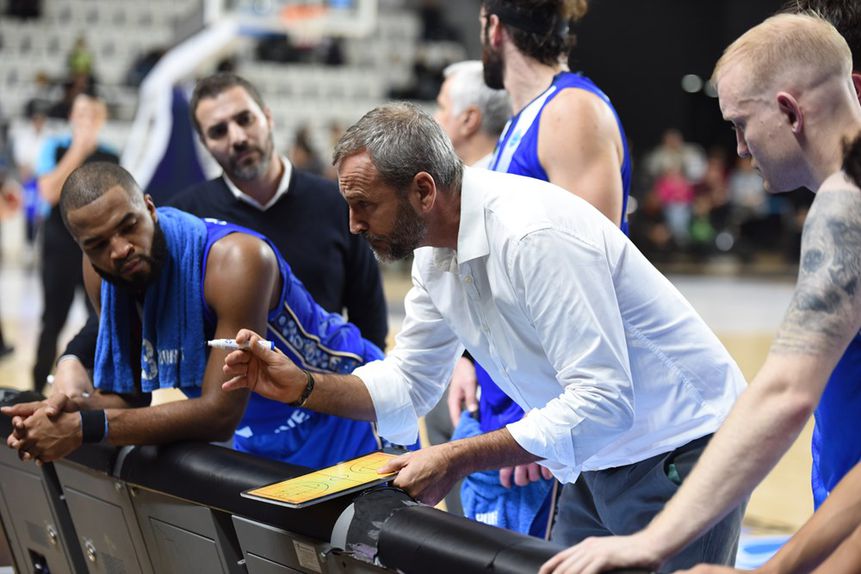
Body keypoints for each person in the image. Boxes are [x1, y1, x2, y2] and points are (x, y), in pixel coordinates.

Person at [221, 102, 748, 570]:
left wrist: (460, 456)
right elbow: (410, 382)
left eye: (365, 205)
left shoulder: (532, 235)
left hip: (678, 444)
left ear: (423, 190)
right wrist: (305, 387)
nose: (354, 224)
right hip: (601, 456)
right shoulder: (433, 253)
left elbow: (604, 398)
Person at [539, 13, 861, 574]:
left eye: (741, 123)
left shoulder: (847, 203)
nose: (739, 148)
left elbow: (784, 392)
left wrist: (653, 540)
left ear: (790, 111)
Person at [51, 73, 390, 465]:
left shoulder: (331, 203)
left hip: (336, 406)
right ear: (204, 142)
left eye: (244, 119)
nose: (236, 137)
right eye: (218, 130)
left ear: (267, 117)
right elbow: (117, 313)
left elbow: (369, 315)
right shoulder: (173, 226)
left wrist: (375, 395)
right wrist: (70, 364)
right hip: (257, 427)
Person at [3, 163, 384, 467]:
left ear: (150, 208)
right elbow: (130, 398)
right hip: (262, 434)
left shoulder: (237, 260)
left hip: (349, 414)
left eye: (128, 226)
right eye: (98, 244)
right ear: (81, 248)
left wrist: (86, 426)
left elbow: (219, 414)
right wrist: (63, 412)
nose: (119, 250)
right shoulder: (101, 273)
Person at [448, 0, 634, 541]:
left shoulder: (569, 113)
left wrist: (546, 422)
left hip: (540, 426)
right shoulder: (525, 119)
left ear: (494, 28)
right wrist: (470, 357)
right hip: (509, 408)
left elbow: (588, 287)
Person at [427, 59, 511, 518]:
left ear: (468, 119)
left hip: (508, 392)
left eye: (442, 106)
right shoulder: (465, 184)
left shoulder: (497, 190)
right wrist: (462, 357)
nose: (435, 117)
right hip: (475, 367)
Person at [32, 94, 115, 394]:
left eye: (92, 114)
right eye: (80, 114)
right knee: (52, 319)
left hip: (95, 251)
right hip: (58, 246)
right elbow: (48, 193)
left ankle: (98, 387)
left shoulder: (110, 156)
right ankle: (37, 386)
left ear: (101, 119)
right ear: (71, 118)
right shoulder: (54, 148)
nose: (85, 120)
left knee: (102, 318)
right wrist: (78, 150)